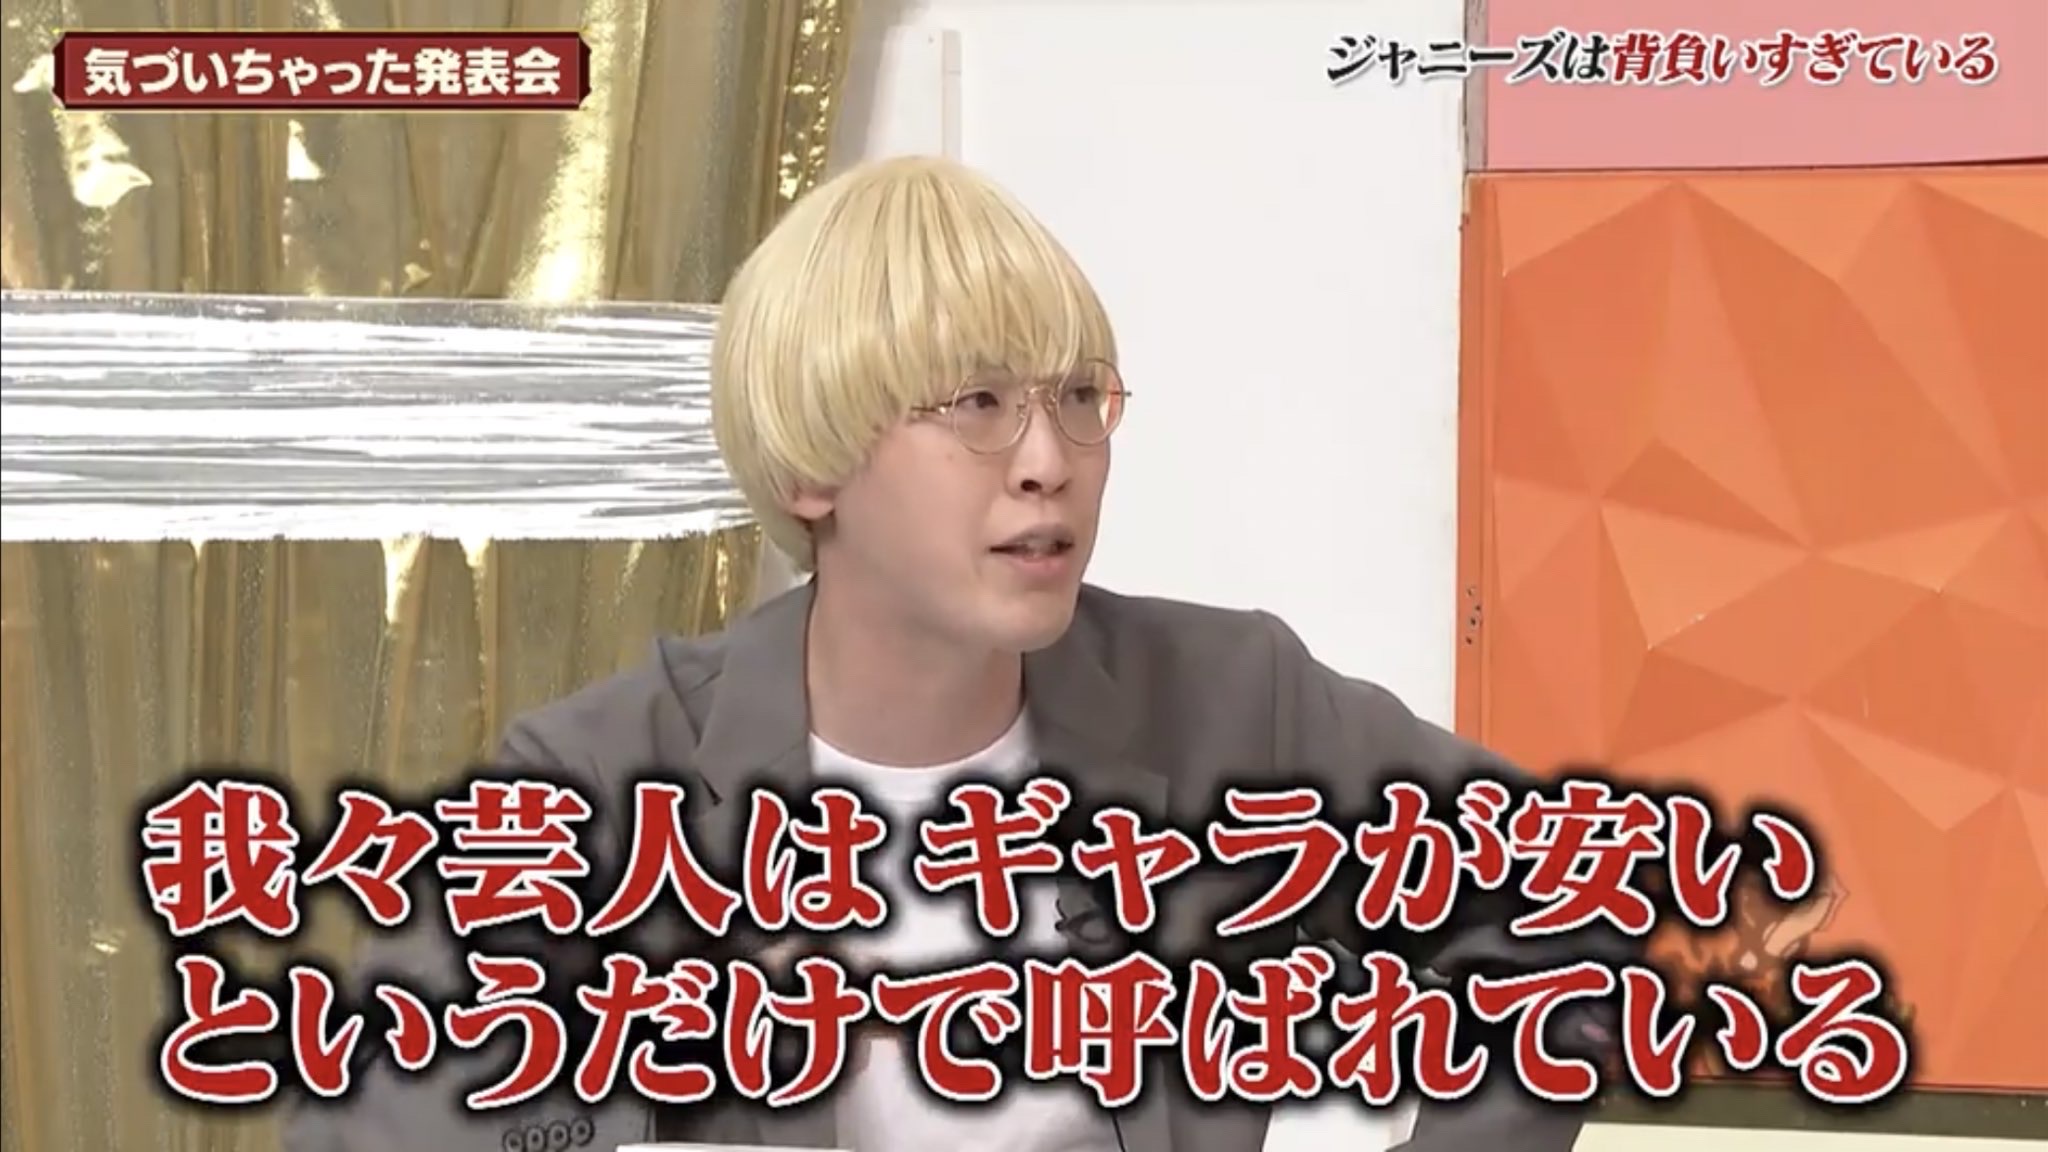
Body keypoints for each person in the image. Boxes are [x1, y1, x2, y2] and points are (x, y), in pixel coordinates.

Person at [284, 155, 1628, 1152]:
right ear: (812, 464)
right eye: (978, 402)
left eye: (1080, 399)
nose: (1049, 461)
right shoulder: (597, 788)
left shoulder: (1232, 706)